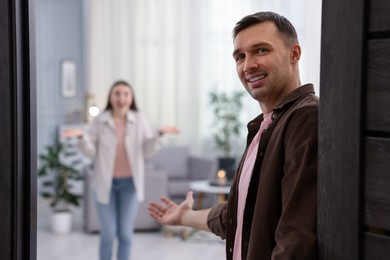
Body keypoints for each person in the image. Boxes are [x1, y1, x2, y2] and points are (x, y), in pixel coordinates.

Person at [148, 11, 318, 260]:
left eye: (261, 50)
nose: (248, 65)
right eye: (240, 56)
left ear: (294, 54)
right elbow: (240, 214)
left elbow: (296, 238)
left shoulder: (306, 118)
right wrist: (184, 216)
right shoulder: (265, 126)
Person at [63, 80, 179, 260]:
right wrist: (81, 138)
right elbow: (91, 152)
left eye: (126, 94)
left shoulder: (139, 119)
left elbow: (146, 151)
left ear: (131, 98)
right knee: (108, 234)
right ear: (111, 96)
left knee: (125, 235)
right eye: (117, 93)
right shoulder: (101, 120)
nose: (121, 98)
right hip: (104, 185)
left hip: (130, 185)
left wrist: (159, 135)